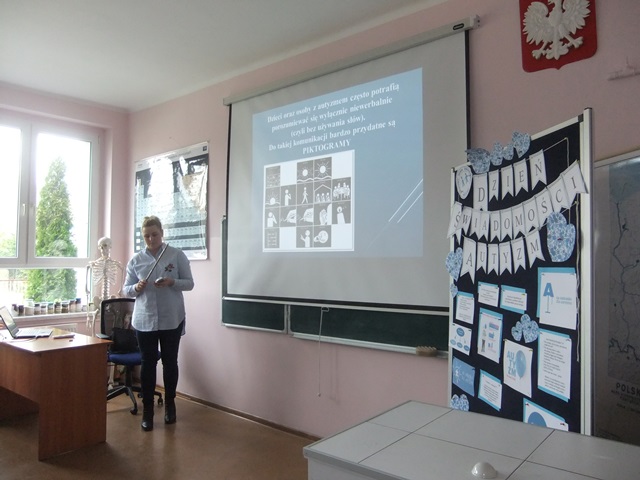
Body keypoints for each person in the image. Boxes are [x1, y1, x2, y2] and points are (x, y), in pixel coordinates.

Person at [123, 216, 194, 431]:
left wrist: (172, 282)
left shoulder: (176, 255)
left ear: (161, 233)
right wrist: (136, 288)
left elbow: (189, 284)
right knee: (148, 363)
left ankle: (170, 404)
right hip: (144, 320)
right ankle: (148, 411)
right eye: (146, 236)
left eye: (154, 234)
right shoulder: (136, 260)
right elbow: (125, 289)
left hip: (171, 318)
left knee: (170, 362)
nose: (151, 239)